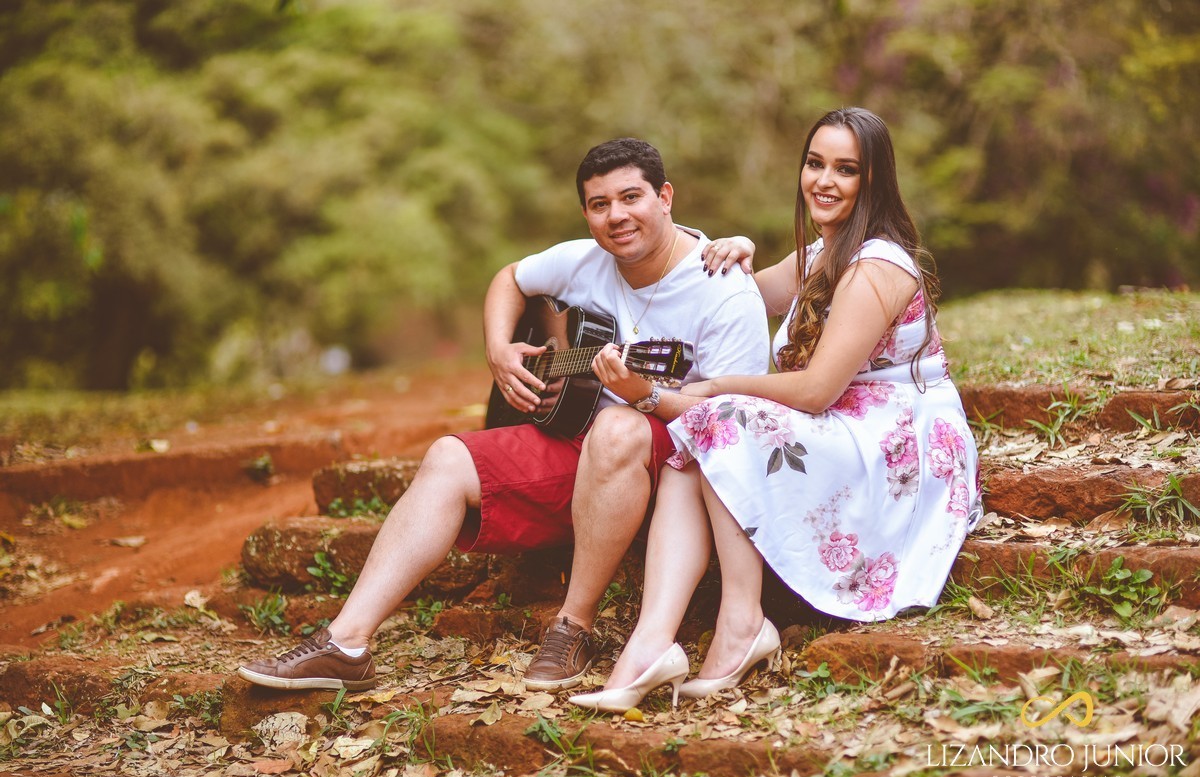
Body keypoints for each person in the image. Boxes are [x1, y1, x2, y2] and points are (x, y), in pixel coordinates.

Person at [237, 138, 769, 693]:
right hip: (582, 444)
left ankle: (572, 627)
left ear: (665, 197)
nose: (616, 216)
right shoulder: (585, 261)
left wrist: (644, 395)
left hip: (674, 462)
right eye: (599, 204)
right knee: (448, 456)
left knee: (617, 429)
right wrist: (499, 350)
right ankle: (345, 644)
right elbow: (511, 278)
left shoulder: (722, 290)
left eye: (630, 197)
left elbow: (731, 417)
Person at [569, 108, 982, 713]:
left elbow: (815, 390)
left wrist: (715, 388)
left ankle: (742, 621)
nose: (825, 180)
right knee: (686, 454)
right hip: (844, 421)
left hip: (894, 434)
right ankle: (649, 646)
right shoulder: (821, 253)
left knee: (715, 417)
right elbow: (732, 299)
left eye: (846, 169)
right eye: (815, 164)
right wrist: (727, 248)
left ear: (874, 180)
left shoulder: (879, 265)